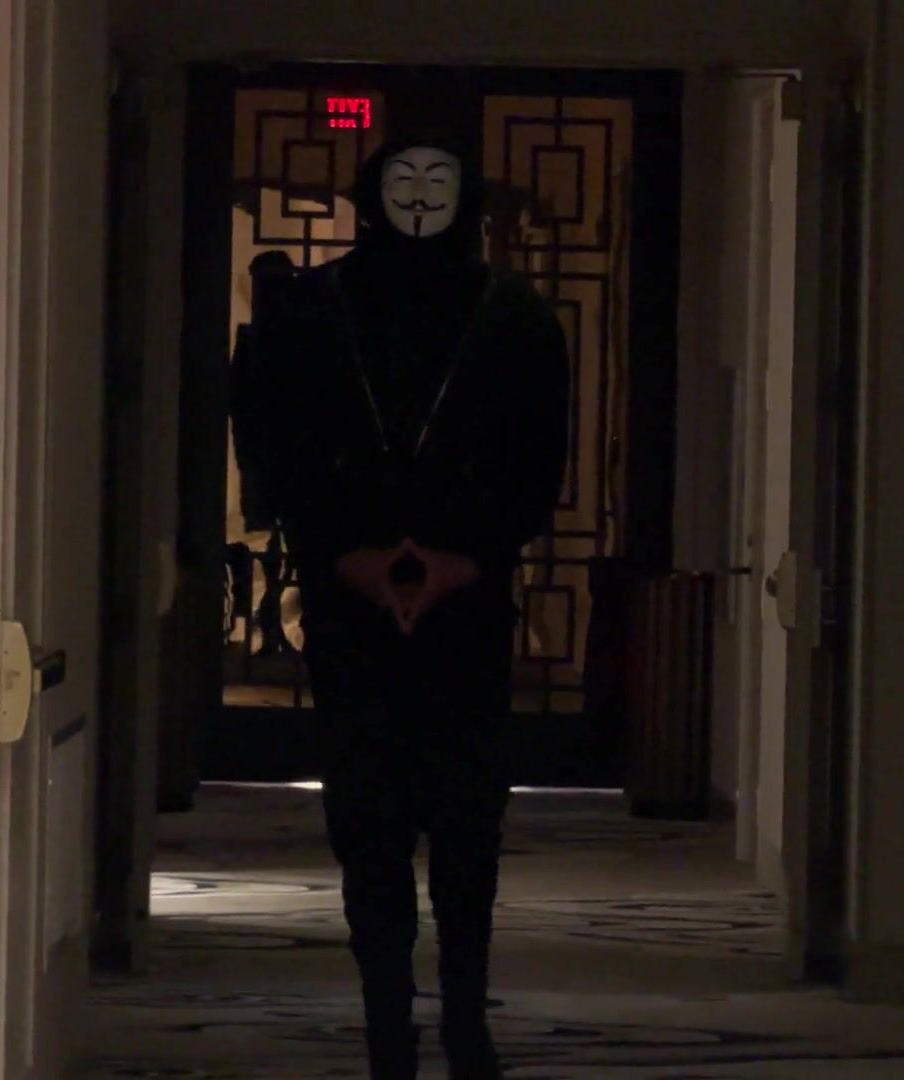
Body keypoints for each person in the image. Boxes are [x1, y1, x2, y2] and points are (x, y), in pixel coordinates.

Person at [237, 129, 570, 1079]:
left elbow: (538, 452)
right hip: (353, 608)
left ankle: (464, 1015)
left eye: (439, 180)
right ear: (369, 191)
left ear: (466, 197)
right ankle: (389, 1018)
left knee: (467, 824)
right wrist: (351, 556)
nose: (420, 196)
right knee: (368, 821)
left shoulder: (514, 315)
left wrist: (467, 556)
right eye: (403, 179)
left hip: (467, 608)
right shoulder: (312, 310)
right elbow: (277, 443)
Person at [231, 249, 300, 656]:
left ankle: (275, 621)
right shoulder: (262, 340)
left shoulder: (279, 340)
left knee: (283, 544)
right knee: (271, 543)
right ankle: (270, 621)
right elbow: (240, 403)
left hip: (283, 458)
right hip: (270, 457)